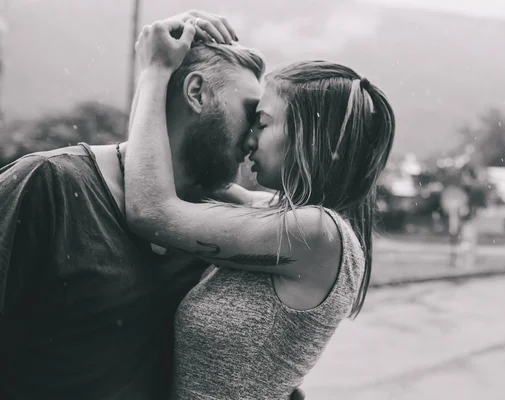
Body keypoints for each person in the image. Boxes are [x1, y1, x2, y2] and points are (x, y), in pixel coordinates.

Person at [0, 10, 304, 400]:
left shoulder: (215, 228)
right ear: (197, 93)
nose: (253, 139)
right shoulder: (47, 183)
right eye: (250, 114)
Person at [125, 18, 396, 399]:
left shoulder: (316, 232)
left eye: (263, 123)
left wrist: (154, 70)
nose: (249, 139)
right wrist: (185, 50)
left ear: (307, 137)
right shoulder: (283, 216)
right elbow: (177, 183)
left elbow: (151, 212)